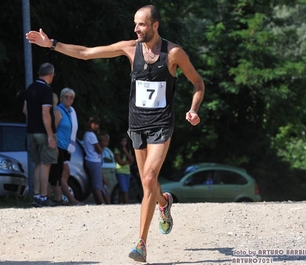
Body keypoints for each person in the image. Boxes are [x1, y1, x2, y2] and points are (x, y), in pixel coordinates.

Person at [26, 4, 204, 262]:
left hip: (162, 125)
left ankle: (141, 244)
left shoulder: (174, 53)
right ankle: (163, 202)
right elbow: (87, 53)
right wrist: (52, 43)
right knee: (148, 182)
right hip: (137, 126)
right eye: (135, 24)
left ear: (155, 25)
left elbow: (198, 82)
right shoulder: (130, 48)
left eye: (141, 24)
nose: (136, 29)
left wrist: (193, 108)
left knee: (149, 178)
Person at [22, 62, 58, 207]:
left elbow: (25, 110)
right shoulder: (46, 90)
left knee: (37, 163)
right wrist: (50, 135)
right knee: (46, 164)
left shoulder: (30, 88)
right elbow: (46, 114)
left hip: (31, 131)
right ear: (51, 74)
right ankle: (44, 197)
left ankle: (36, 195)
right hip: (44, 132)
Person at [49, 87, 83, 206]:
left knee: (62, 173)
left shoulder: (70, 112)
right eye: (66, 97)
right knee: (57, 173)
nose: (68, 99)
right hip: (58, 146)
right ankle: (58, 198)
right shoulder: (59, 111)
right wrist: (55, 145)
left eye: (71, 97)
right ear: (61, 98)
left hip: (65, 147)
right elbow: (53, 128)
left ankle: (62, 198)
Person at [83, 115, 107, 205]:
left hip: (91, 160)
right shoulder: (91, 135)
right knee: (97, 184)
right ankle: (101, 203)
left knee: (96, 182)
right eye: (95, 124)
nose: (97, 126)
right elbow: (99, 150)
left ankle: (100, 202)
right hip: (93, 160)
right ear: (90, 124)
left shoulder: (87, 134)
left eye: (98, 124)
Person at [114, 134, 134, 204]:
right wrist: (128, 162)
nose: (123, 143)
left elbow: (132, 159)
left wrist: (125, 151)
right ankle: (127, 202)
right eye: (122, 141)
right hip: (120, 171)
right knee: (124, 189)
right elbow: (120, 162)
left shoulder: (128, 150)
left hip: (127, 172)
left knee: (124, 188)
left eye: (125, 141)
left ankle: (121, 202)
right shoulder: (117, 149)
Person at [98, 133, 111, 205]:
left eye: (107, 141)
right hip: (99, 170)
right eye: (104, 141)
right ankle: (107, 203)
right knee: (103, 188)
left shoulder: (103, 151)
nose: (105, 143)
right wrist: (103, 177)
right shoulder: (99, 151)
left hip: (100, 169)